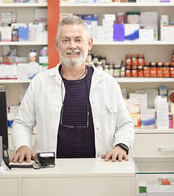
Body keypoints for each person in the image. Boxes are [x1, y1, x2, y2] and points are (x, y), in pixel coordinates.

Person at [11, 16, 134, 163]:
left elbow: (125, 124)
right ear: (56, 44)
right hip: (50, 170)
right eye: (66, 40)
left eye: (78, 40)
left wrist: (121, 146)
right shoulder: (40, 82)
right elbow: (22, 123)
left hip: (99, 168)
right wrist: (23, 146)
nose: (72, 46)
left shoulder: (108, 83)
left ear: (89, 43)